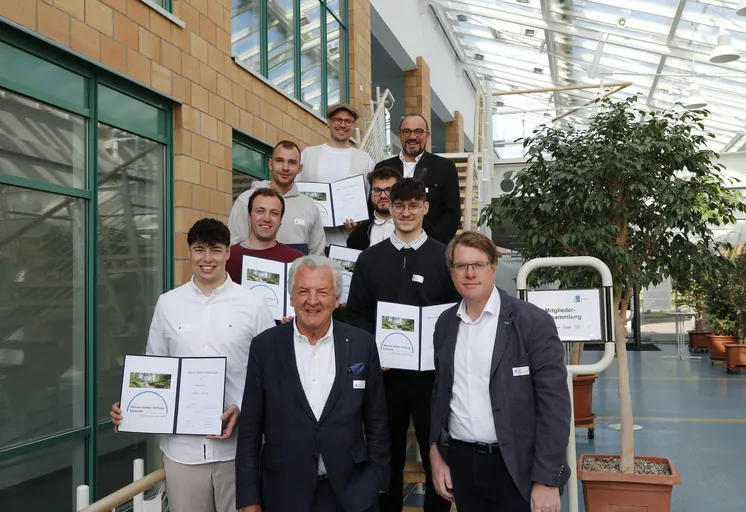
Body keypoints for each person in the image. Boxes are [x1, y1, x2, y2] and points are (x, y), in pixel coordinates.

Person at [110, 218, 275, 512]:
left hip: (237, 452)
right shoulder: (168, 304)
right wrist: (132, 407)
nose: (207, 259)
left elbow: (271, 374)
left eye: (215, 250)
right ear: (189, 252)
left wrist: (242, 407)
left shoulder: (253, 304)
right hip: (182, 453)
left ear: (228, 253)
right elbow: (155, 369)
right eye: (199, 250)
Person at [429, 231, 571, 512]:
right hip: (463, 466)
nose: (470, 273)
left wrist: (547, 480)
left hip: (517, 468)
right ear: (452, 272)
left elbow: (554, 406)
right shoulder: (445, 324)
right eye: (461, 266)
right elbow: (440, 393)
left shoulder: (532, 322)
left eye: (478, 264)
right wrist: (436, 452)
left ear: (493, 268)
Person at [235, 255, 389, 512]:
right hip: (283, 493)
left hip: (351, 494)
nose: (313, 300)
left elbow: (377, 421)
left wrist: (377, 481)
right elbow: (250, 428)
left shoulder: (362, 344)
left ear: (337, 299)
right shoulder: (265, 347)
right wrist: (248, 498)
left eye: (323, 292)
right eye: (303, 291)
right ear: (292, 297)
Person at [346, 178, 460, 512]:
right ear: (389, 208)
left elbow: (456, 314)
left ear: (425, 207)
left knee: (435, 454)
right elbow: (357, 315)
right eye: (399, 206)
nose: (406, 212)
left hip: (432, 381)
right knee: (387, 456)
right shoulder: (370, 259)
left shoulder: (444, 258)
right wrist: (373, 353)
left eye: (413, 205)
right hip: (385, 377)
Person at [298, 103, 376, 248]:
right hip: (309, 240)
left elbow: (370, 197)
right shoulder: (308, 154)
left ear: (354, 125)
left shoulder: (365, 160)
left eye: (348, 121)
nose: (342, 125)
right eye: (337, 120)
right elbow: (295, 190)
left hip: (346, 242)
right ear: (329, 122)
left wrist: (359, 220)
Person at [374, 114, 460, 245]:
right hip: (388, 243)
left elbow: (452, 213)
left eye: (419, 132)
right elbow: (374, 205)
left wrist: (434, 241)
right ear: (400, 134)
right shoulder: (383, 167)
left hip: (428, 246)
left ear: (427, 135)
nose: (412, 137)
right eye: (407, 132)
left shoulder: (444, 167)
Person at [228, 140, 326, 255]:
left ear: (300, 168)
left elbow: (317, 255)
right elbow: (234, 247)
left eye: (292, 162)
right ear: (270, 164)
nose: (285, 167)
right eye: (279, 161)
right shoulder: (246, 200)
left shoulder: (310, 206)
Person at [226, 187, 303, 284]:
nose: (267, 218)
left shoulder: (295, 260)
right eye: (260, 211)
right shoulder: (227, 257)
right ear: (249, 216)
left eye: (274, 213)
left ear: (280, 220)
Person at [346, 166, 401, 251]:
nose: (382, 196)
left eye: (389, 190)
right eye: (377, 190)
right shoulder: (358, 234)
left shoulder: (416, 227)